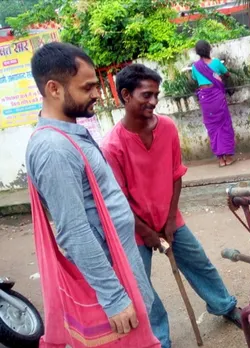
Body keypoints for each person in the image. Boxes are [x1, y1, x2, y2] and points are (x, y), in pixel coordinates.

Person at [100, 63, 250, 348]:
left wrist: (170, 219)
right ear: (125, 95)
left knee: (199, 263)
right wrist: (147, 232)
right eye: (146, 95)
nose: (154, 101)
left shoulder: (168, 128)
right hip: (133, 227)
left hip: (169, 218)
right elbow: (117, 200)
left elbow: (175, 176)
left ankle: (224, 305)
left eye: (156, 94)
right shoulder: (112, 146)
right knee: (141, 288)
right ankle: (159, 338)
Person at [26, 42, 154, 335]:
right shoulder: (54, 149)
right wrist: (114, 298)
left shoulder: (67, 135)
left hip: (121, 269)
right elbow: (74, 230)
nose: (97, 94)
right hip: (112, 287)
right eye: (88, 88)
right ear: (54, 89)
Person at [191, 39, 236, 167]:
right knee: (224, 125)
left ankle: (221, 160)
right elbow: (227, 73)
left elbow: (195, 78)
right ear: (209, 49)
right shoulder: (216, 63)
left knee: (212, 127)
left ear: (198, 52)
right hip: (217, 97)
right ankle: (228, 157)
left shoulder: (195, 66)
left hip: (205, 99)